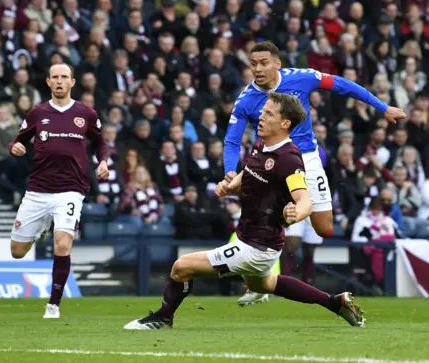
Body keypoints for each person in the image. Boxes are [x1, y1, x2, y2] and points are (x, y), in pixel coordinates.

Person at [124, 93, 365, 330]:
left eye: (269, 113)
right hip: (251, 238)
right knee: (264, 284)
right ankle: (335, 302)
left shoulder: (289, 159)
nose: (261, 116)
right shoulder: (261, 144)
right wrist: (230, 186)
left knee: (181, 267)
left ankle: (164, 317)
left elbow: (305, 199)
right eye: (263, 111)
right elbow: (249, 172)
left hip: (256, 247)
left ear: (285, 123)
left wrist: (297, 213)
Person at [225, 41, 406, 306]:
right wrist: (230, 172)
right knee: (263, 227)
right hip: (271, 164)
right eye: (253, 64)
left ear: (277, 63)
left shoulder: (303, 78)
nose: (258, 69)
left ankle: (294, 211)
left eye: (264, 63)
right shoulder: (246, 99)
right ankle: (258, 281)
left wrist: (383, 107)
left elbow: (343, 85)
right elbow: (231, 141)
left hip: (306, 158)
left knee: (325, 229)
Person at [8, 63, 109, 319]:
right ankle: (41, 228)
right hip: (38, 190)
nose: (60, 81)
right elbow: (18, 140)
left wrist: (104, 162)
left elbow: (100, 142)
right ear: (48, 82)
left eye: (65, 77)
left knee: (62, 245)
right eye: (55, 77)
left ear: (73, 82)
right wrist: (15, 147)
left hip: (71, 190)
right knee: (17, 252)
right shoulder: (37, 113)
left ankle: (53, 304)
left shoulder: (86, 113)